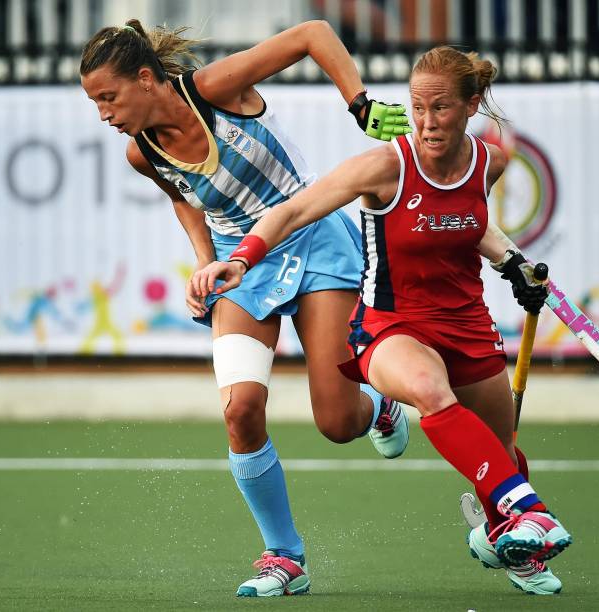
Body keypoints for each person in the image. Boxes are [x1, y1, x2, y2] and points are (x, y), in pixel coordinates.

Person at [192, 45, 573, 596]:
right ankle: (529, 512)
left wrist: (511, 260)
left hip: (465, 321)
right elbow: (295, 210)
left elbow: (466, 218)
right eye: (417, 108)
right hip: (393, 325)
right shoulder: (386, 165)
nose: (427, 122)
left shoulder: (493, 161)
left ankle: (510, 537)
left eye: (440, 109)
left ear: (471, 106)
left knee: (501, 450)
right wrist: (241, 257)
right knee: (426, 388)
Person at [80, 19, 413, 597]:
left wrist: (358, 103)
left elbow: (313, 33)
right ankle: (284, 556)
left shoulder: (213, 88)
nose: (104, 114)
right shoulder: (142, 154)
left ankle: (379, 406)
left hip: (314, 237)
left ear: (144, 78)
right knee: (239, 411)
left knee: (337, 423)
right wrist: (204, 261)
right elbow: (184, 200)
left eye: (108, 97)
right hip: (244, 264)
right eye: (95, 104)